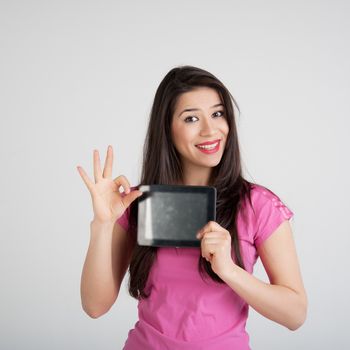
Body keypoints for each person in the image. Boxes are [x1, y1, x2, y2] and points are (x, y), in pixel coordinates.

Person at [77, 65, 307, 349]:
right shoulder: (136, 202)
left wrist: (230, 270)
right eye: (191, 118)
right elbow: (94, 306)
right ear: (167, 128)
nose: (210, 130)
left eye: (217, 113)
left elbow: (295, 315)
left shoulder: (258, 205)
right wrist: (102, 224)